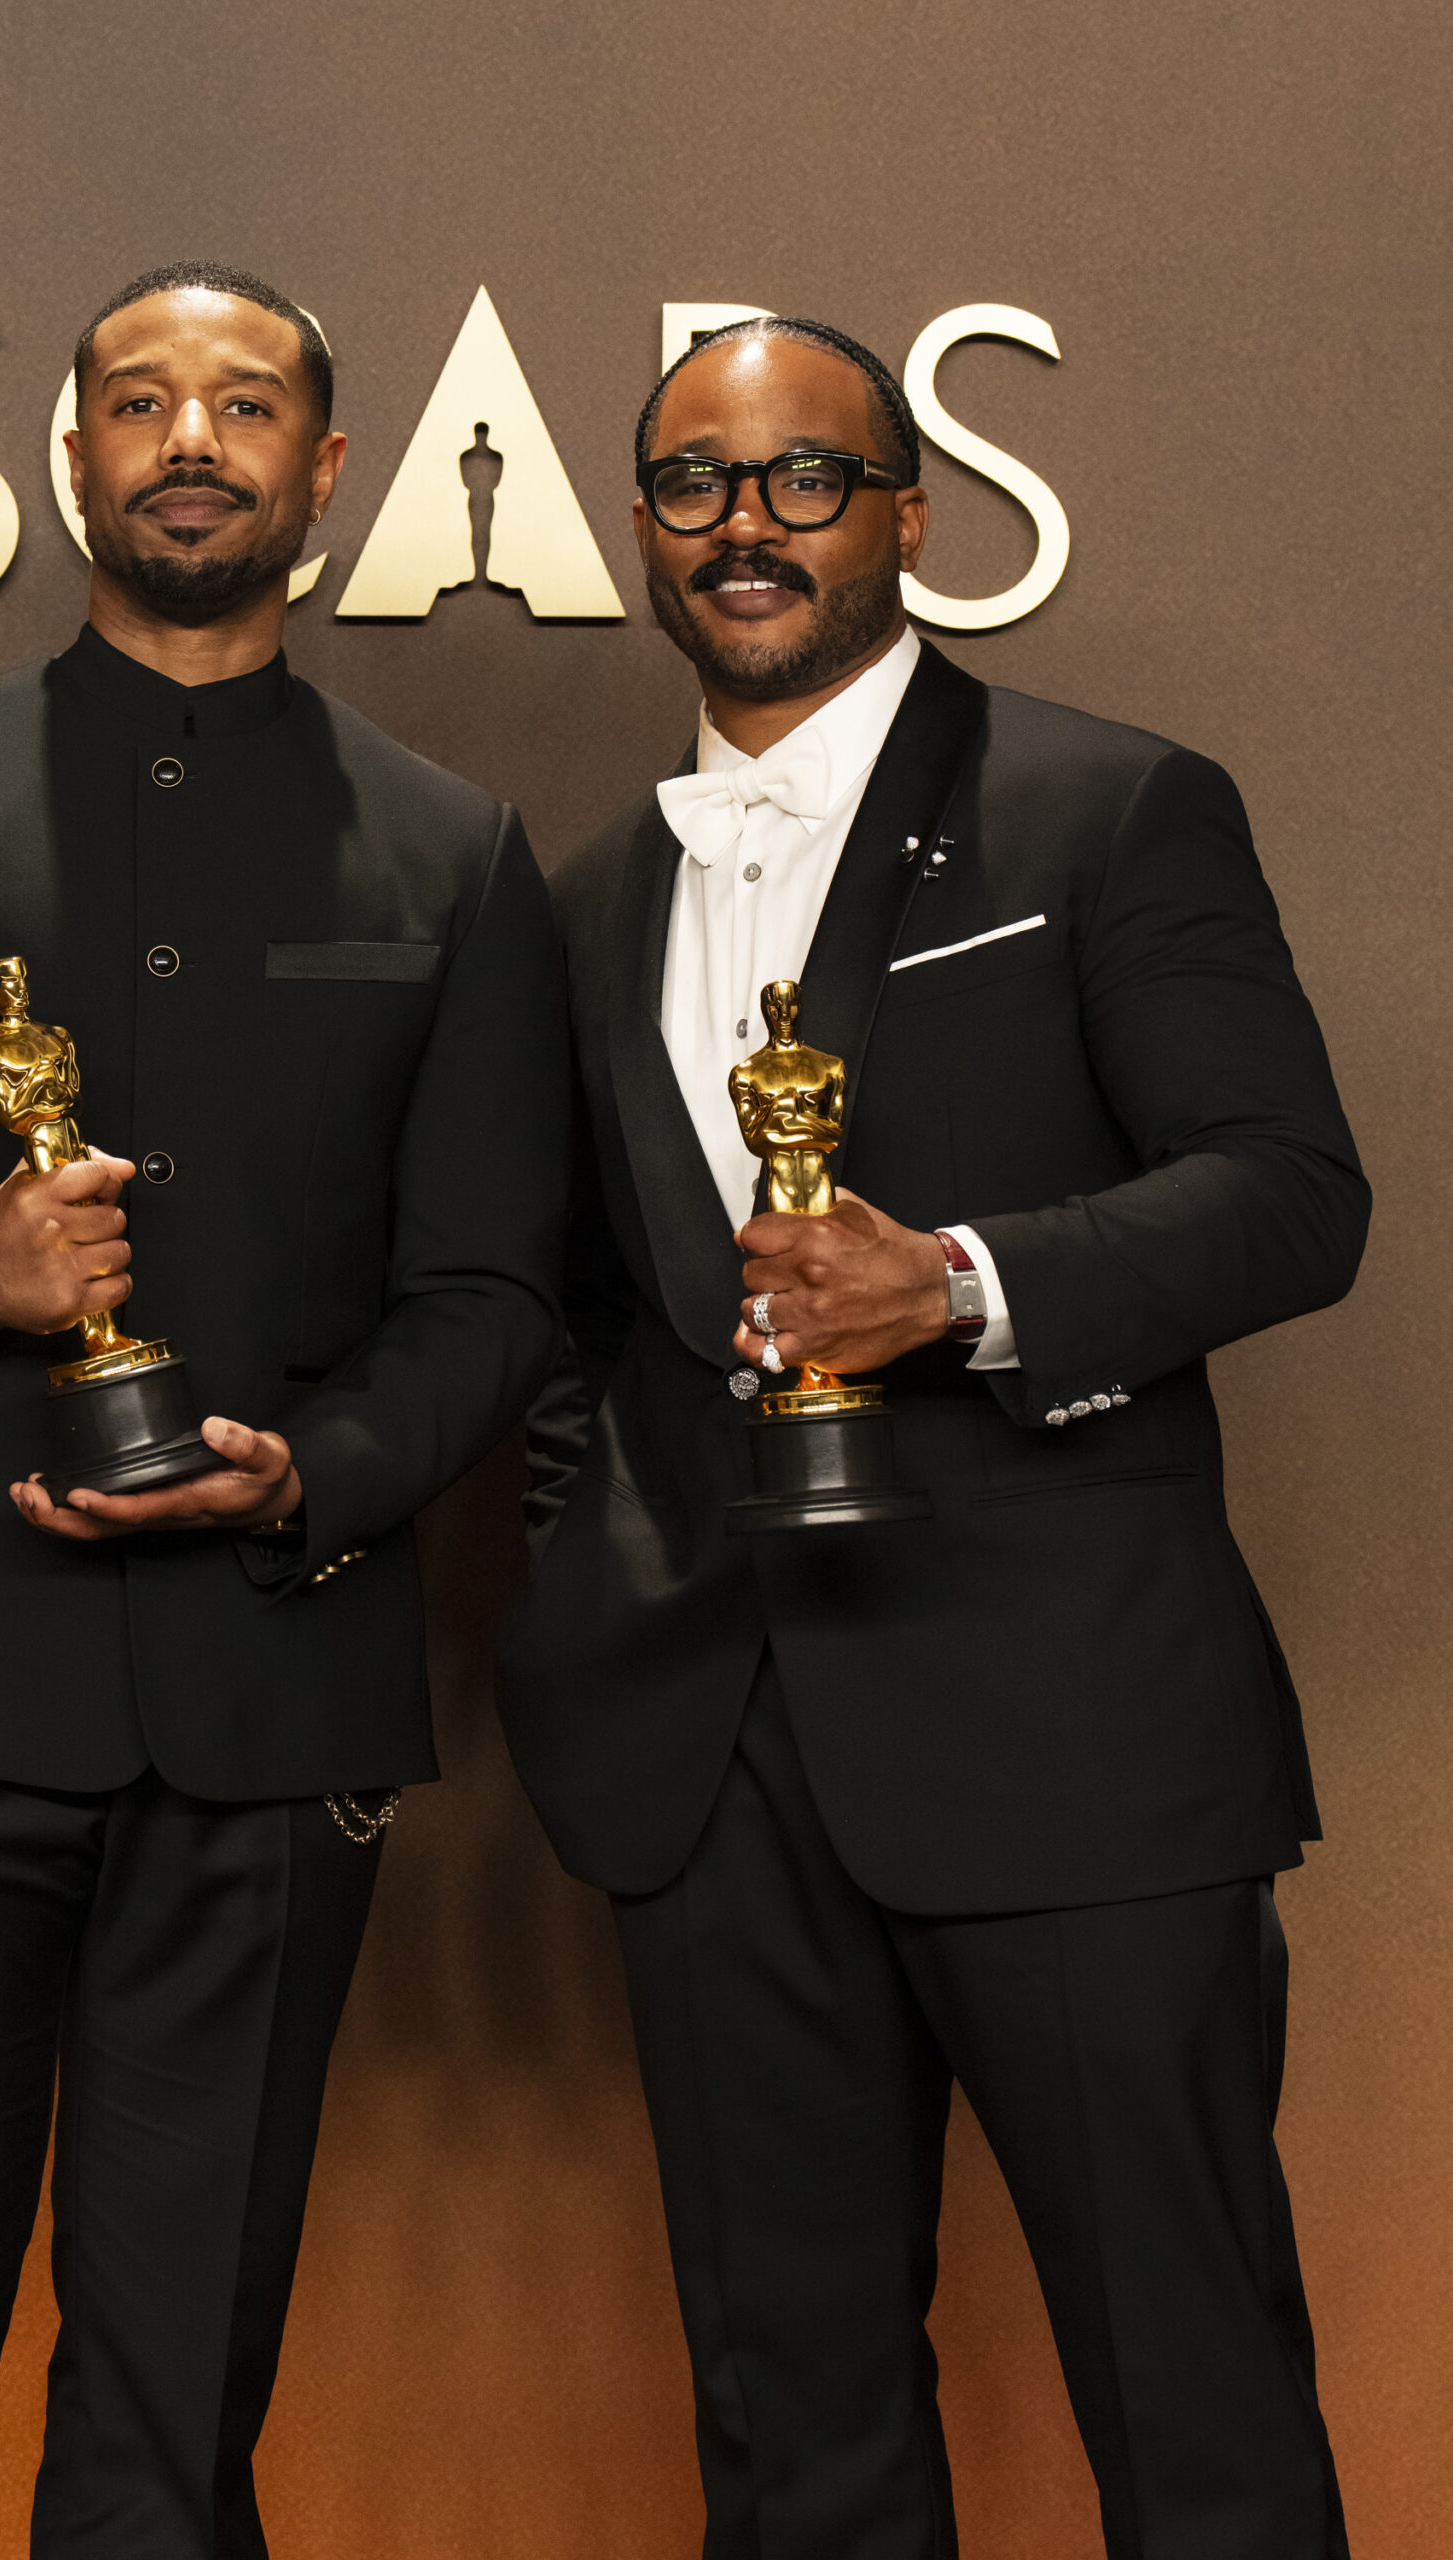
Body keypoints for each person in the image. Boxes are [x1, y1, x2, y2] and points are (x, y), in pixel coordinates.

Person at [0, 259, 566, 2560]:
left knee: (175, 2420)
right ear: (70, 458)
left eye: (242, 406)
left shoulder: (450, 848)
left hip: (272, 1698)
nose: (189, 440)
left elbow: (491, 1293)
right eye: (140, 401)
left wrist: (317, 1468)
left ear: (324, 472)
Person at [500, 314, 1364, 2560]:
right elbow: (580, 1315)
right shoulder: (584, 899)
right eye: (694, 482)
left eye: (804, 475)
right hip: (713, 1759)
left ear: (908, 512)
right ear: (643, 531)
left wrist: (961, 1283)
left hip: (1076, 1738)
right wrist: (595, 1553)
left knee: (1195, 2415)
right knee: (798, 2450)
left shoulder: (1109, 804)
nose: (747, 522)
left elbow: (1291, 1192)